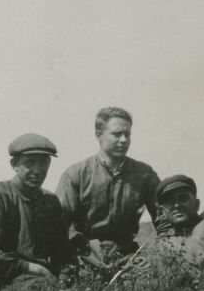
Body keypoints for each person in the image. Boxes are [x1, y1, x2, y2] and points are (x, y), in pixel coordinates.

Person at [56, 107, 162, 273]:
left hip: (127, 257)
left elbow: (164, 223)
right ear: (98, 135)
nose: (124, 140)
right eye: (117, 134)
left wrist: (156, 259)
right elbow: (57, 228)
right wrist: (63, 264)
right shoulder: (76, 174)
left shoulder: (145, 175)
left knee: (148, 285)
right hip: (83, 256)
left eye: (128, 134)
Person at [0, 133, 73, 291]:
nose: (38, 170)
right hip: (3, 280)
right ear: (14, 165)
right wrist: (34, 268)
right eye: (30, 163)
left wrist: (64, 281)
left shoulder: (50, 201)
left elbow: (62, 251)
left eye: (44, 163)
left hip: (41, 280)